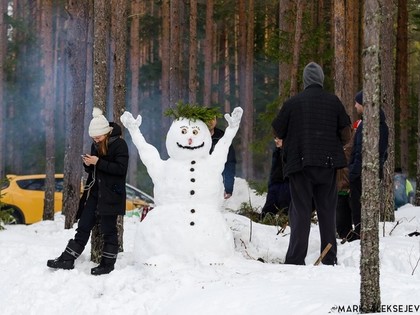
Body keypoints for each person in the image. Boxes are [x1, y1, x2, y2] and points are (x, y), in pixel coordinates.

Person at [272, 62, 351, 265]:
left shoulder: (293, 103)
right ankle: (329, 257)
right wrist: (333, 145)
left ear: (305, 80)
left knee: (301, 211)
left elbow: (278, 130)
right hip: (328, 164)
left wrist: (288, 139)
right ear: (321, 79)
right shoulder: (334, 102)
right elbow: (346, 132)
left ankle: (296, 259)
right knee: (327, 212)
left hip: (300, 166)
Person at [47, 107, 129, 275]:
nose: (95, 140)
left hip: (111, 194)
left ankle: (107, 264)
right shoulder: (96, 144)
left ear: (106, 133)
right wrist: (88, 164)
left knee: (109, 230)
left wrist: (98, 162)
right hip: (94, 193)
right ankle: (67, 259)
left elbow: (121, 169)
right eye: (93, 138)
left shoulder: (120, 144)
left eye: (98, 137)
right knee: (83, 226)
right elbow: (94, 171)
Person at [348, 90, 389, 241]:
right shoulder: (366, 123)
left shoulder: (376, 125)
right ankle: (358, 231)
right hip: (361, 173)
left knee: (362, 206)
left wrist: (353, 171)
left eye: (357, 103)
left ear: (364, 105)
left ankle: (361, 233)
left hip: (362, 174)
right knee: (356, 205)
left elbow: (367, 152)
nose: (355, 106)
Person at [336, 120, 359, 241]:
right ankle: (344, 235)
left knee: (354, 213)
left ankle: (355, 235)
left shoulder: (355, 137)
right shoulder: (334, 138)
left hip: (350, 184)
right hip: (339, 186)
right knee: (341, 219)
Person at [261, 137, 291, 218]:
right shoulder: (276, 151)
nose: (276, 141)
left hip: (287, 184)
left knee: (286, 209)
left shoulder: (290, 151)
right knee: (267, 211)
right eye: (275, 138)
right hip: (275, 184)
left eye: (278, 139)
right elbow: (273, 169)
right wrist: (271, 184)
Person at [208, 116, 237, 199]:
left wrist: (228, 188)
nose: (210, 121)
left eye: (213, 118)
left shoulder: (222, 137)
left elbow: (229, 163)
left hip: (216, 185)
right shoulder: (195, 137)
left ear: (216, 120)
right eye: (207, 118)